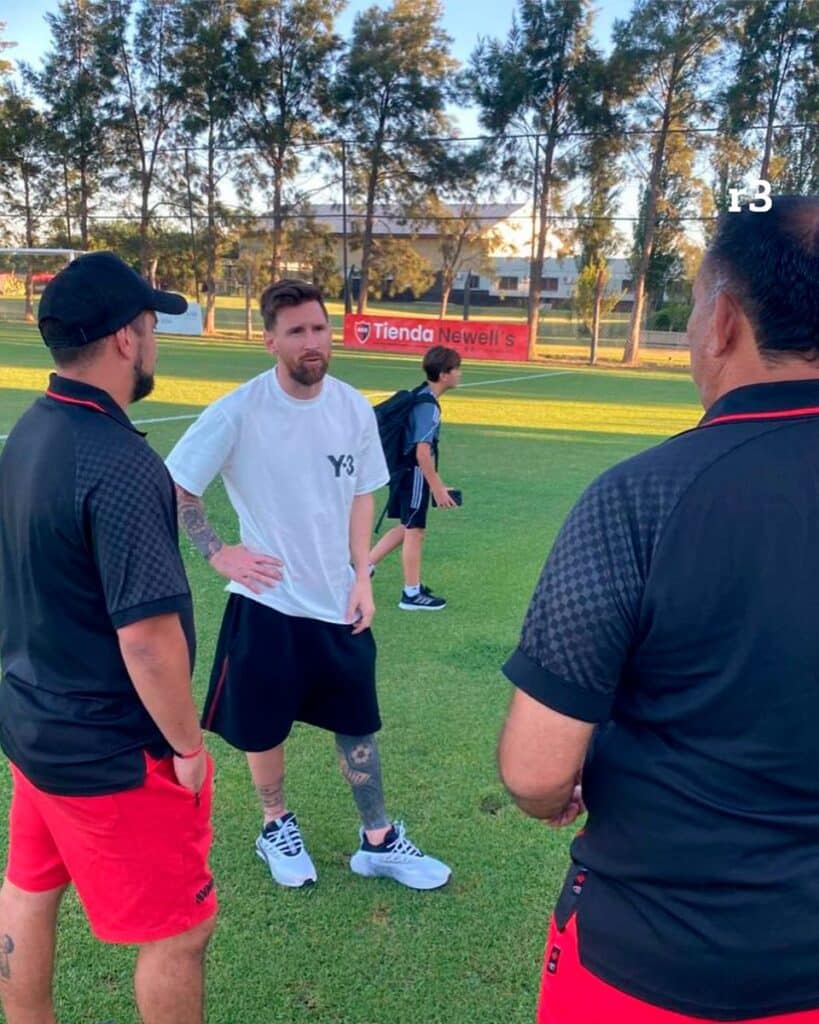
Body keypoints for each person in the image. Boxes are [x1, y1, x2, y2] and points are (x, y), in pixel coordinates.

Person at [499, 195, 819, 1024]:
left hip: (649, 956)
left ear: (719, 323)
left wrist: (554, 793)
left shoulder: (640, 496)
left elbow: (535, 773)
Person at [165, 278, 451, 891]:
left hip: (338, 599)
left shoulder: (350, 405)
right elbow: (179, 486)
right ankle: (276, 824)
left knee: (358, 722)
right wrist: (220, 555)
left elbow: (361, 492)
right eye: (296, 331)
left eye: (319, 328)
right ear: (271, 340)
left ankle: (377, 839)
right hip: (266, 601)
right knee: (263, 726)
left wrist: (362, 574)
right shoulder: (240, 409)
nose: (312, 341)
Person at [0, 252, 216, 1024]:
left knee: (28, 886)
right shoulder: (120, 462)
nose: (154, 339)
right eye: (150, 324)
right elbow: (150, 640)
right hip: (109, 748)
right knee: (181, 933)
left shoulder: (29, 429)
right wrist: (187, 747)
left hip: (33, 726)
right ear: (125, 340)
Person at [368, 345, 462, 611]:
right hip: (414, 473)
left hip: (405, 472)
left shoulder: (418, 394)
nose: (459, 374)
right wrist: (438, 489)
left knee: (407, 526)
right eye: (456, 369)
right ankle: (411, 594)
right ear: (444, 374)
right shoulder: (429, 407)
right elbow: (422, 453)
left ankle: (363, 567)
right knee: (415, 531)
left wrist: (438, 483)